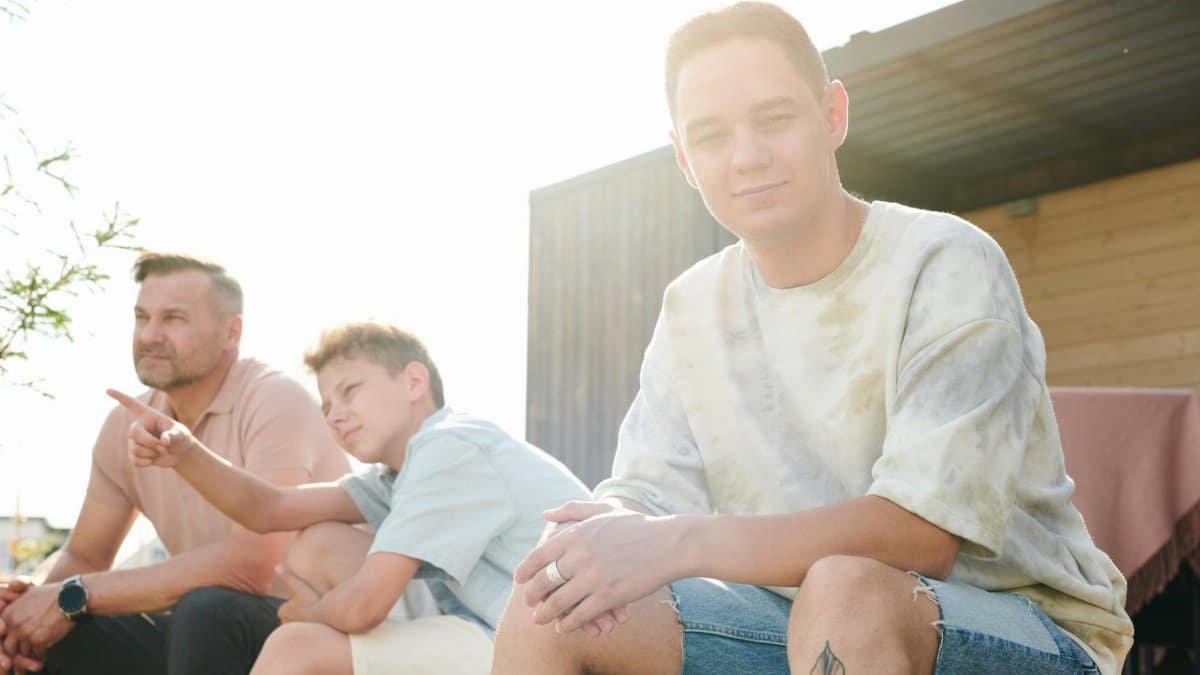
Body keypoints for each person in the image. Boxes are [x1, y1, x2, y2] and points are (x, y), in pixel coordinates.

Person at [491, 3, 1134, 674]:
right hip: (792, 619)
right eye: (711, 136)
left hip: (1017, 626)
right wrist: (594, 539)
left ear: (833, 115)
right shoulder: (691, 306)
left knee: (846, 587)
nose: (747, 157)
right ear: (683, 158)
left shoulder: (942, 261)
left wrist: (674, 541)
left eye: (774, 119)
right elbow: (644, 493)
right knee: (549, 605)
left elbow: (922, 534)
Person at [109, 321, 591, 675]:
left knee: (297, 646)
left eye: (351, 390)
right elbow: (271, 509)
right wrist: (185, 451)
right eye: (327, 406)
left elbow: (362, 609)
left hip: (555, 649)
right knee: (317, 545)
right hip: (493, 630)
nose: (336, 415)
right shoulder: (396, 477)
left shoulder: (451, 446)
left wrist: (307, 615)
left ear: (413, 382)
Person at [0, 253, 353, 675]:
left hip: (315, 633)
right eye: (142, 317)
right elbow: (85, 556)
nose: (150, 335)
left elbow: (251, 568)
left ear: (231, 332)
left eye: (174, 319)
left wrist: (72, 596)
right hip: (202, 635)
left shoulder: (275, 400)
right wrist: (21, 617)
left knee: (207, 610)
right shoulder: (126, 424)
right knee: (51, 636)